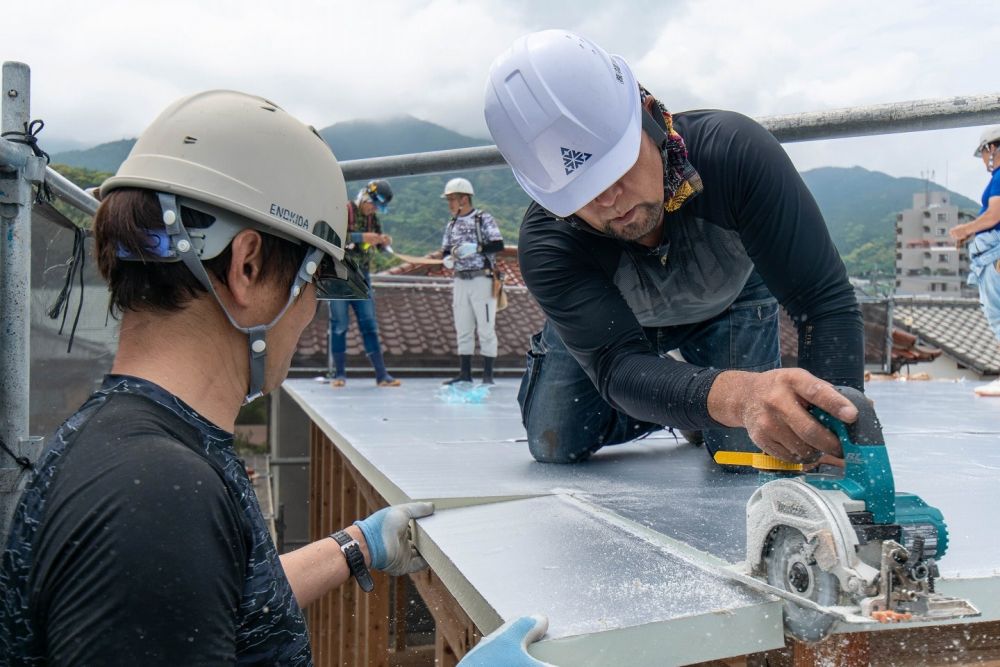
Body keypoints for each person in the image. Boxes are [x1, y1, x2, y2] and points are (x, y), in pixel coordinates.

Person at [0, 91, 542, 666]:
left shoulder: (137, 450)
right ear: (248, 265)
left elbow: (218, 602)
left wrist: (354, 548)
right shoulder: (153, 497)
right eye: (316, 281)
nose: (311, 313)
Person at [484, 30, 862, 467]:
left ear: (650, 117)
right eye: (579, 192)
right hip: (613, 323)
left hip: (728, 299)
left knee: (748, 450)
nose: (609, 199)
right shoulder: (548, 240)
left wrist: (833, 435)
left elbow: (824, 301)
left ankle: (685, 399)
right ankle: (681, 400)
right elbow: (616, 365)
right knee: (554, 443)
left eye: (617, 167)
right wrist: (731, 397)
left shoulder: (735, 154)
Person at [327, 179, 400, 387]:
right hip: (338, 274)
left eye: (378, 208)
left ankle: (381, 374)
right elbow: (332, 236)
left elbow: (375, 245)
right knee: (339, 324)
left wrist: (383, 242)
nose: (374, 210)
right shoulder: (344, 210)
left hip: (362, 274)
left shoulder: (373, 219)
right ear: (366, 197)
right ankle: (339, 375)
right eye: (374, 205)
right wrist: (361, 236)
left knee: (369, 323)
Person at [949, 125, 1000, 397]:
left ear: (990, 148)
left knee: (999, 314)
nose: (982, 160)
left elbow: (994, 215)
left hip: (995, 257)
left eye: (982, 153)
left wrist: (964, 230)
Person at [440, 177, 505, 385]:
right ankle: (465, 374)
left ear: (464, 199)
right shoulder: (451, 224)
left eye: (452, 199)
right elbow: (446, 250)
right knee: (463, 327)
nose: (449, 204)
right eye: (448, 199)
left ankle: (488, 375)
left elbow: (498, 244)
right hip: (460, 280)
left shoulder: (482, 218)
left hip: (481, 278)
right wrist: (447, 259)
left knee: (486, 327)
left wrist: (476, 249)